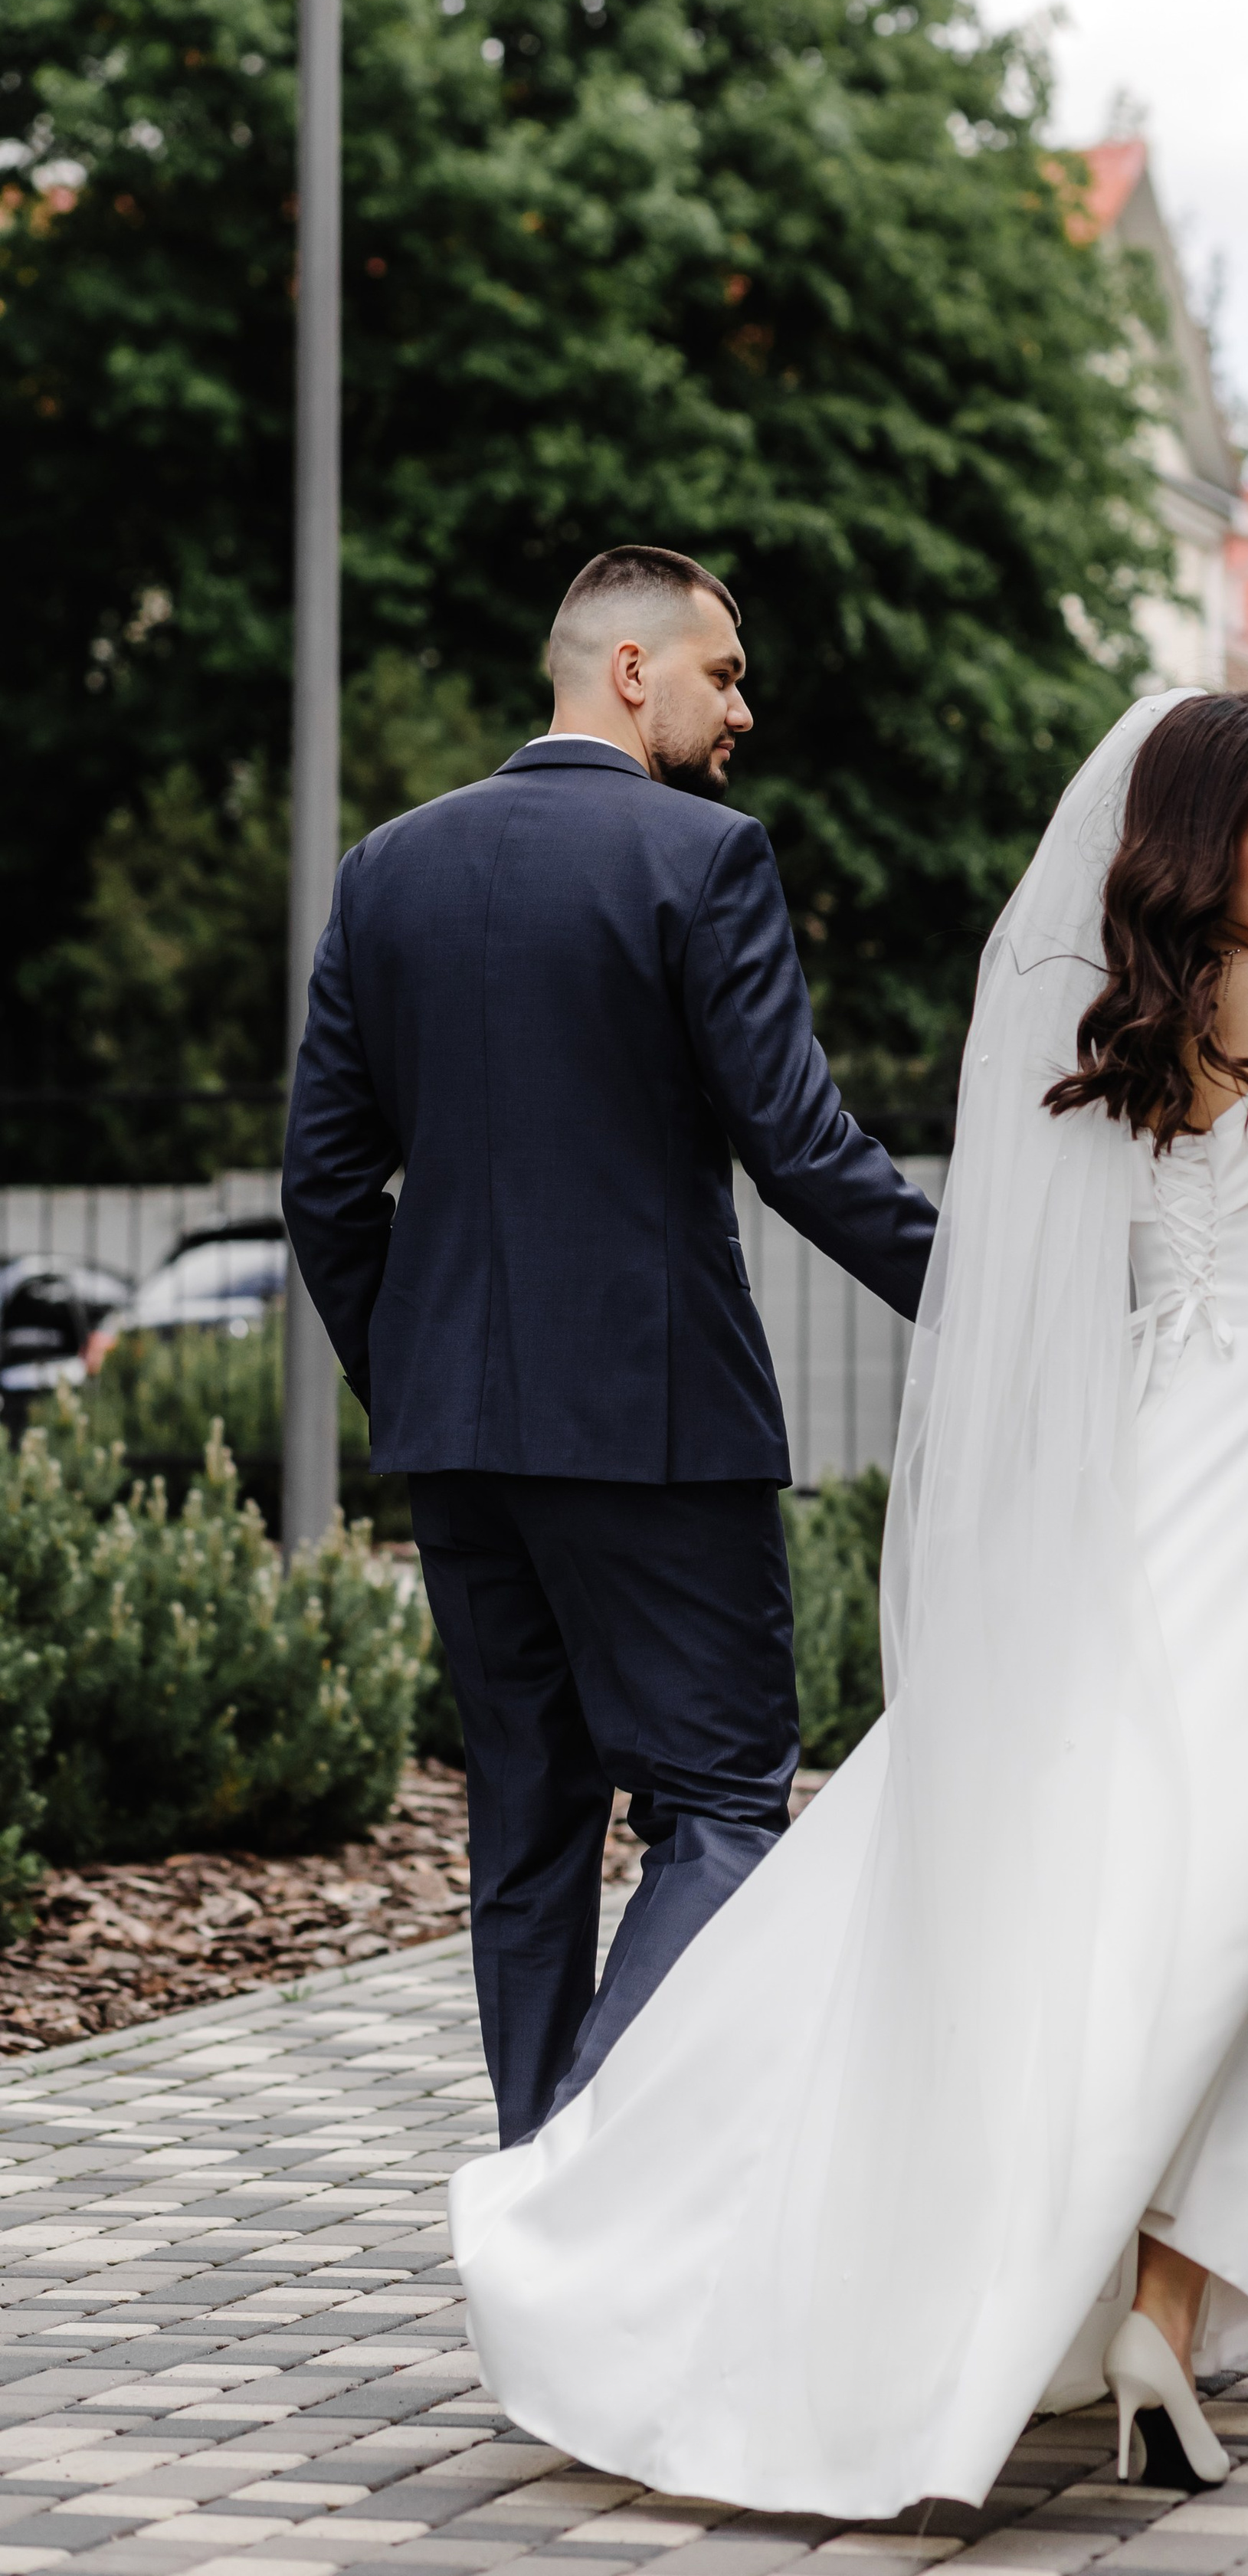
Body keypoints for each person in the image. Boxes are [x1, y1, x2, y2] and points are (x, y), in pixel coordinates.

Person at [447, 687, 1248, 2512]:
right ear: (1199, 845)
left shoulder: (1125, 1031)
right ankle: (1164, 2294)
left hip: (1145, 1472)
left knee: (1145, 1856)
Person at [281, 545, 938, 2150]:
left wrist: (420, 1375)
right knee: (716, 1805)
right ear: (629, 670)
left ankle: (537, 2210)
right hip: (655, 1432)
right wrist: (1002, 1302)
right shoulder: (701, 857)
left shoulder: (386, 869)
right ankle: (574, 2167)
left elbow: (324, 1179)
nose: (745, 707)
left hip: (456, 1439)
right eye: (722, 671)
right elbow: (799, 1148)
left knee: (526, 1835)